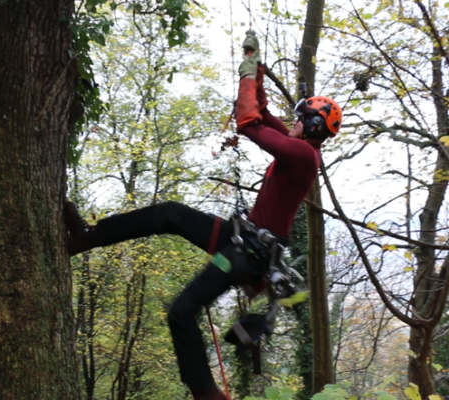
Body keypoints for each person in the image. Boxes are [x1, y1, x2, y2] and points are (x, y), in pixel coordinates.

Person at [64, 31, 342, 400]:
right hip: (242, 239)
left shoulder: (304, 156)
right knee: (170, 215)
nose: (292, 123)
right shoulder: (298, 148)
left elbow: (248, 123)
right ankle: (88, 237)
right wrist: (254, 69)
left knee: (181, 312)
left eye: (300, 118)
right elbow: (263, 114)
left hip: (247, 255)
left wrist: (247, 75)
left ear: (312, 126)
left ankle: (206, 393)